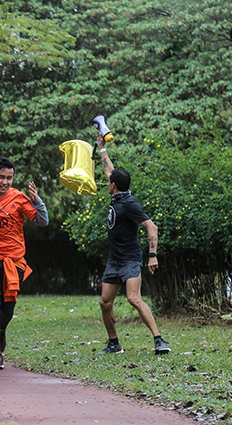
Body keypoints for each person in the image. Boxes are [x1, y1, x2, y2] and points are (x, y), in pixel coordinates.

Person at [96, 134, 170, 355]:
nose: (107, 181)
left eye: (109, 181)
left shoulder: (129, 203)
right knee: (104, 303)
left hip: (129, 259)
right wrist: (102, 148)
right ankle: (113, 344)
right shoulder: (118, 194)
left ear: (114, 186)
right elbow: (109, 169)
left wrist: (152, 255)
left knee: (133, 298)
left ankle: (159, 340)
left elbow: (152, 227)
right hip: (114, 259)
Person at [0, 157, 49, 370]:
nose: (5, 182)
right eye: (1, 177)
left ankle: (1, 330)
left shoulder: (19, 197)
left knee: (8, 307)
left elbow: (42, 221)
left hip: (14, 260)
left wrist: (37, 201)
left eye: (9, 178)